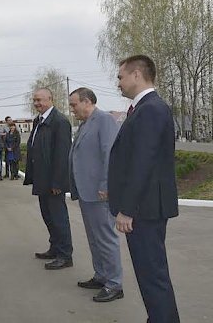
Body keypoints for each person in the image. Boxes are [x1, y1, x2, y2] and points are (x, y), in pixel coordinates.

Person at [108, 55, 179, 321]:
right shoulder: (144, 108)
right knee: (150, 274)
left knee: (152, 275)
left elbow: (143, 163)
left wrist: (127, 209)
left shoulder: (151, 109)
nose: (118, 82)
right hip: (145, 205)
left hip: (145, 209)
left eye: (120, 76)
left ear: (136, 74)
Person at [68, 87, 123, 303]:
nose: (72, 109)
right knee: (94, 238)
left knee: (106, 238)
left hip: (99, 192)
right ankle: (101, 276)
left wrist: (106, 185)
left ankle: (114, 284)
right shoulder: (85, 124)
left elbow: (110, 154)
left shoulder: (105, 120)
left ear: (87, 101)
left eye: (74, 104)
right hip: (86, 191)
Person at [24, 88, 73, 270]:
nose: (37, 103)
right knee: (48, 216)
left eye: (40, 100)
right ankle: (55, 247)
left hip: (54, 182)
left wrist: (58, 182)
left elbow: (62, 155)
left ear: (50, 99)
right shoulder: (39, 120)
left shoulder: (59, 122)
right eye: (35, 100)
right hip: (42, 178)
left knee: (58, 217)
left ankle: (65, 255)